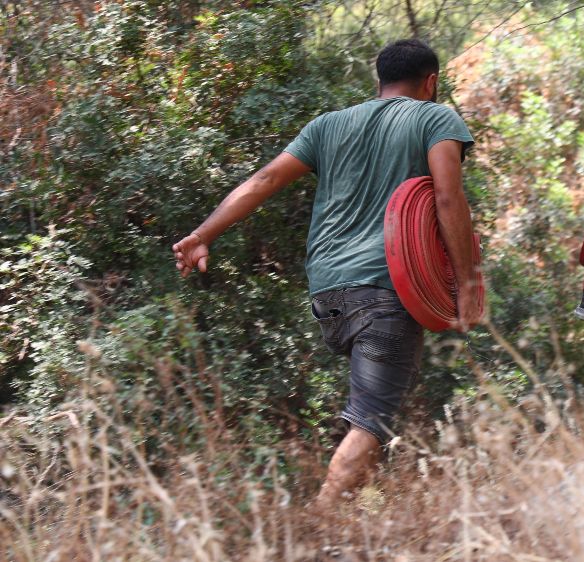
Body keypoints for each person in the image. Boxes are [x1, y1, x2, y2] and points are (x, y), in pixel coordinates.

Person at [171, 39, 480, 507]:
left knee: (374, 419)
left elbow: (264, 181)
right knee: (371, 422)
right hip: (386, 290)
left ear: (379, 79)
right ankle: (318, 522)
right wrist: (469, 283)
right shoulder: (435, 118)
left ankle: (360, 525)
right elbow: (446, 199)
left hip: (328, 292)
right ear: (431, 83)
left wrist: (202, 235)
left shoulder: (328, 125)